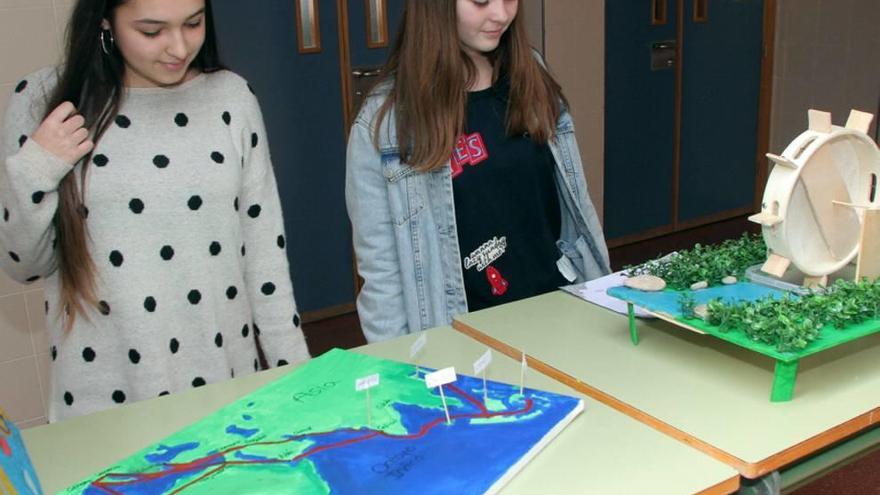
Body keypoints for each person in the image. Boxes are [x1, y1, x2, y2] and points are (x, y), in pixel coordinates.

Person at [0, 0, 309, 422]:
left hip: (223, 383)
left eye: (193, 23)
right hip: (102, 397)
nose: (179, 48)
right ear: (105, 20)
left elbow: (265, 259)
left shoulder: (231, 98)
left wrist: (302, 385)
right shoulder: (43, 102)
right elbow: (25, 266)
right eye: (152, 31)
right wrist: (37, 168)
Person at [346, 0, 610, 343]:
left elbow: (578, 208)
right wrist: (403, 367)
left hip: (559, 313)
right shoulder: (386, 123)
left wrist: (605, 296)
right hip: (466, 339)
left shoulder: (532, 74)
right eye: (481, 1)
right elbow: (381, 274)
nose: (501, 14)